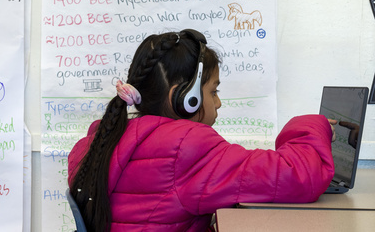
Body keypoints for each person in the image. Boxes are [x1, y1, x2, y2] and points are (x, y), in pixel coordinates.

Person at [68, 29, 336, 232]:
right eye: (213, 91)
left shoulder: (101, 140)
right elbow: (299, 176)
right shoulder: (184, 148)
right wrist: (312, 125)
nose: (218, 102)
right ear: (186, 98)